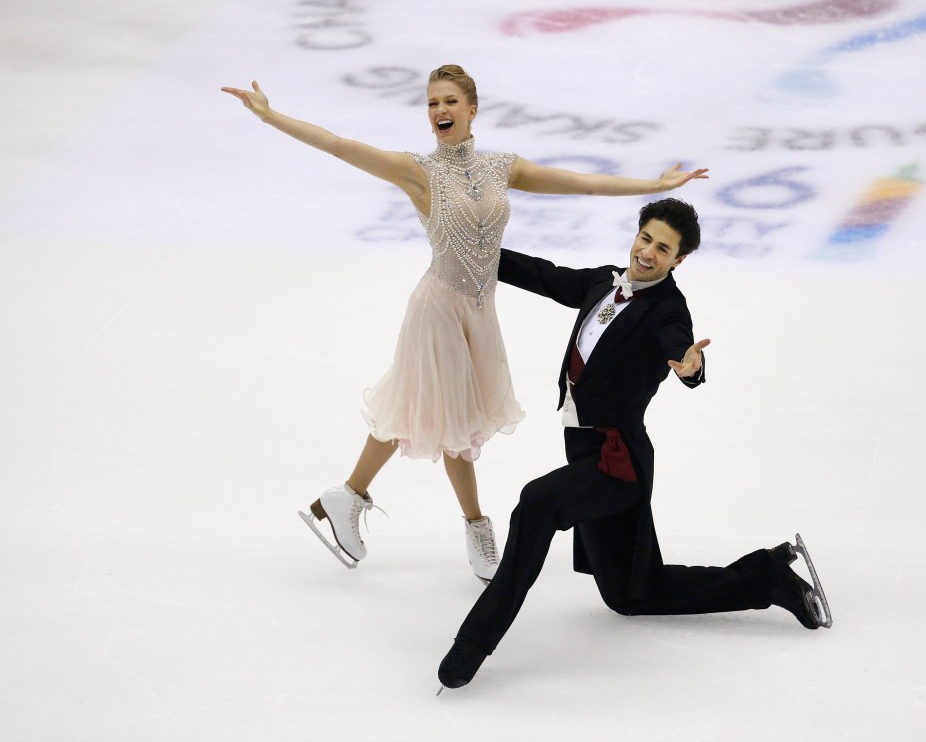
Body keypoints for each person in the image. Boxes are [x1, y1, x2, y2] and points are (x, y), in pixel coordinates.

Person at [220, 65, 709, 581]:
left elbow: (580, 185)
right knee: (449, 419)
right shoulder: (418, 171)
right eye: (432, 103)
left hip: (479, 313)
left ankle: (347, 497)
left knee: (423, 409)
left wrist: (653, 184)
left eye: (450, 101)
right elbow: (338, 144)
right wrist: (272, 117)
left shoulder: (502, 166)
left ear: (472, 109)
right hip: (438, 307)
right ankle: (474, 524)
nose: (440, 112)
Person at [437, 198, 832, 690]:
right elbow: (544, 274)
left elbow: (678, 342)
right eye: (646, 238)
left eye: (663, 249)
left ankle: (472, 644)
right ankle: (769, 578)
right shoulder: (602, 282)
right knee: (631, 593)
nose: (648, 253)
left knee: (536, 504)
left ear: (678, 260)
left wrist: (690, 366)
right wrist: (473, 250)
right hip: (585, 452)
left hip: (616, 462)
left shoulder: (668, 309)